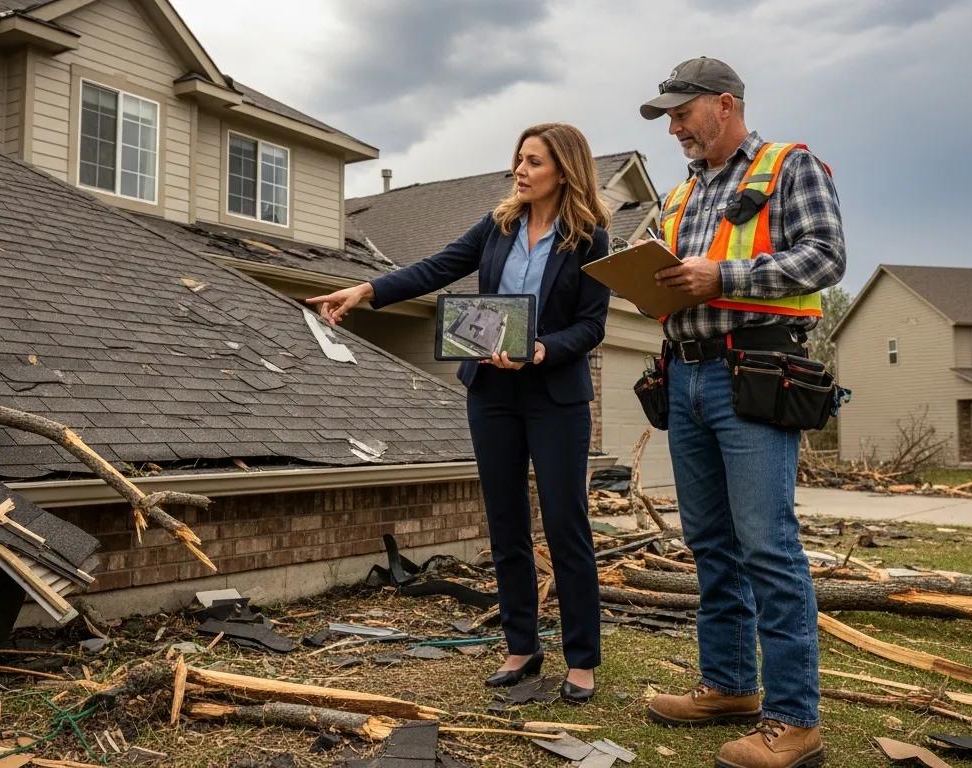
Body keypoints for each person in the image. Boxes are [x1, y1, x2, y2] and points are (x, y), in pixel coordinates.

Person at [307, 123, 612, 704]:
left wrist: (545, 348)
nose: (520, 171)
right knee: (504, 524)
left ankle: (582, 660)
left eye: (533, 163)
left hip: (555, 399)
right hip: (492, 393)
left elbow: (593, 324)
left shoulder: (590, 238)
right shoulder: (498, 226)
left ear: (564, 170)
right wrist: (364, 291)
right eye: (518, 160)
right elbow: (436, 267)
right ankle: (521, 648)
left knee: (566, 526)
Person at [637, 57, 845, 768]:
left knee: (767, 545)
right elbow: (667, 272)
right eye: (667, 116)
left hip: (753, 375)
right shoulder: (679, 195)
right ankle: (729, 686)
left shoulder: (789, 167)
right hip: (687, 378)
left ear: (725, 105)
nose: (673, 127)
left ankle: (795, 720)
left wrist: (720, 277)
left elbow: (825, 257)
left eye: (682, 112)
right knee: (713, 546)